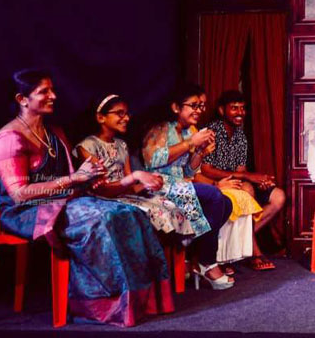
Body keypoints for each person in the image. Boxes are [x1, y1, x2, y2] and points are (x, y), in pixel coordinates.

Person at [0, 70, 173, 326]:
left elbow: (72, 176)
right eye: (44, 92)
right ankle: (103, 305)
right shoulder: (9, 139)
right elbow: (19, 194)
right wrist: (74, 179)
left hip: (63, 199)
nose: (53, 96)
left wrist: (88, 179)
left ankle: (143, 302)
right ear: (22, 99)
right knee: (101, 219)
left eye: (52, 90)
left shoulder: (53, 133)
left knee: (130, 212)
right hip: (27, 211)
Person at [142, 84, 234, 289]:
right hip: (159, 184)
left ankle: (195, 255)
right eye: (194, 105)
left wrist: (200, 152)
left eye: (201, 106)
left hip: (179, 183)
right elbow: (152, 160)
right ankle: (207, 263)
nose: (199, 110)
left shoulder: (190, 130)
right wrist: (191, 143)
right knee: (214, 195)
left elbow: (189, 172)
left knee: (226, 203)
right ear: (176, 107)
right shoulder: (162, 128)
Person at [77, 94, 196, 239]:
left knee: (169, 206)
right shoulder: (87, 147)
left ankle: (174, 249)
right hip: (102, 198)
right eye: (120, 113)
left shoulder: (122, 145)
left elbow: (130, 186)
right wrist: (136, 176)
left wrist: (148, 183)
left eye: (127, 114)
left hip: (123, 195)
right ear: (101, 117)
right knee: (144, 213)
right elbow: (103, 189)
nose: (127, 118)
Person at [200, 90, 287, 271]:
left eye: (242, 108)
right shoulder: (212, 132)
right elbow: (206, 169)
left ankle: (240, 243)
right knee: (247, 189)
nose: (240, 112)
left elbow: (240, 170)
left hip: (236, 180)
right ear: (222, 110)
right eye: (234, 108)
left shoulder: (240, 135)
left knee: (278, 196)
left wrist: (260, 180)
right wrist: (248, 177)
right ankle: (254, 252)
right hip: (214, 184)